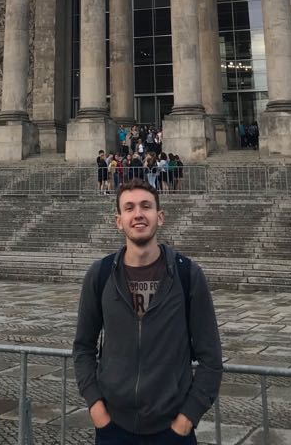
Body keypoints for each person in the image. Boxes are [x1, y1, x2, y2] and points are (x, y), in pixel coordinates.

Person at [73, 179, 222, 443]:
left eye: (146, 206)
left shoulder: (188, 275)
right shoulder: (100, 275)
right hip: (112, 428)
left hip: (173, 429)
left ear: (160, 216)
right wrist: (96, 408)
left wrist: (186, 419)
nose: (138, 214)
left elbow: (211, 358)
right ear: (119, 220)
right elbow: (83, 347)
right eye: (129, 208)